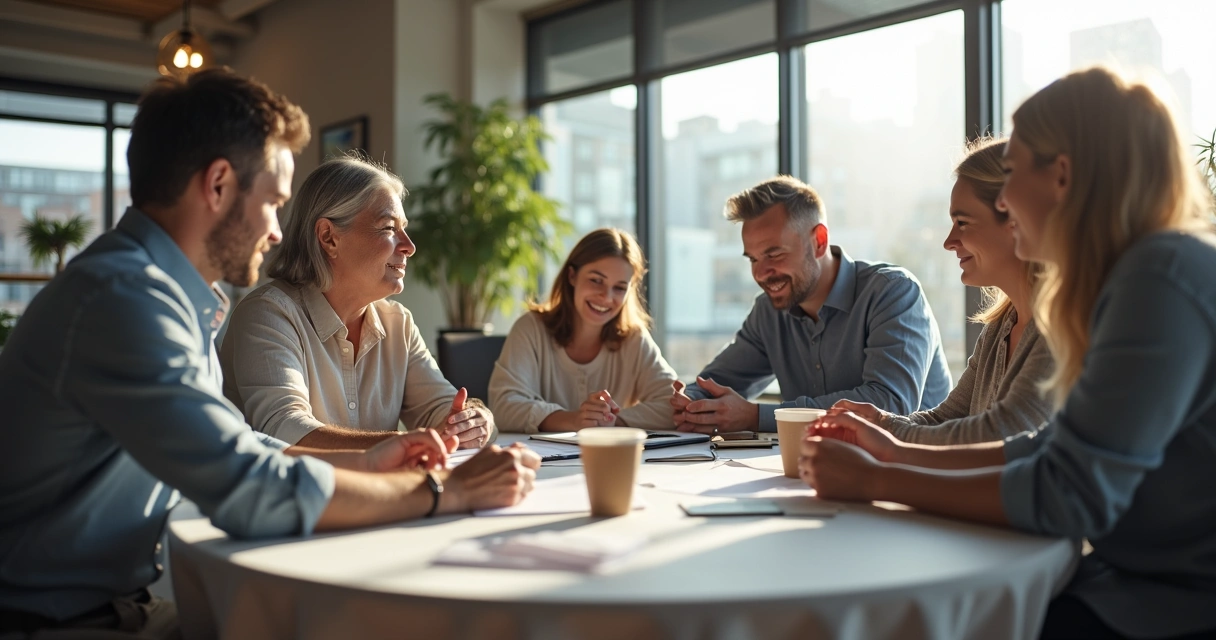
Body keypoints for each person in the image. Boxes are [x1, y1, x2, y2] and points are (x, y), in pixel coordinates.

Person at [0, 68, 538, 638]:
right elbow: (246, 485)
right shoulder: (124, 301)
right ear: (218, 186)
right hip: (54, 621)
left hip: (117, 605)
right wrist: (443, 490)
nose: (280, 232)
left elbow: (239, 441)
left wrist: (365, 463)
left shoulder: (165, 296)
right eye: (274, 202)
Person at [801, 67, 1216, 640]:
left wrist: (879, 480)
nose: (1008, 196)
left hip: (1178, 603)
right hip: (1140, 578)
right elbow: (1048, 447)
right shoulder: (1136, 276)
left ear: (1062, 177)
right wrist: (891, 453)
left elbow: (1068, 492)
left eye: (1015, 172)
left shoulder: (1159, 278)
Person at [220, 155, 494, 450]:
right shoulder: (267, 314)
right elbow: (285, 431)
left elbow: (442, 409)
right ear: (329, 237)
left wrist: (474, 418)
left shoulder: (397, 323)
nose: (409, 246)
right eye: (389, 228)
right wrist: (403, 444)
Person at [670, 176, 952, 434]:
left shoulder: (892, 292)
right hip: (823, 469)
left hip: (916, 473)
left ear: (819, 241)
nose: (760, 273)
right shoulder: (769, 312)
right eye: (753, 259)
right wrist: (692, 402)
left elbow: (888, 404)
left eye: (774, 253)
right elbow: (717, 382)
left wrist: (757, 417)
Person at [830, 137, 1054, 444]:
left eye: (962, 222)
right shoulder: (1001, 326)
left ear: (1015, 220)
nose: (949, 241)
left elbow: (1001, 433)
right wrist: (879, 422)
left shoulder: (1061, 327)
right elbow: (947, 418)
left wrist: (887, 432)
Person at [489, 228, 677, 432]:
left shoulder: (634, 337)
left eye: (620, 288)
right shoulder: (531, 328)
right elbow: (503, 406)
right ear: (572, 276)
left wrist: (613, 420)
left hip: (610, 459)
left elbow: (675, 404)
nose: (606, 297)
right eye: (596, 280)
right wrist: (572, 420)